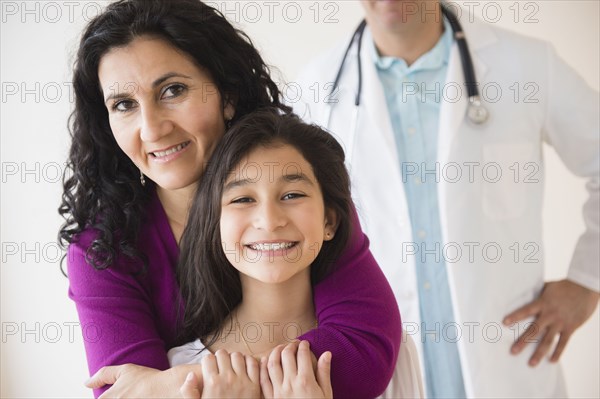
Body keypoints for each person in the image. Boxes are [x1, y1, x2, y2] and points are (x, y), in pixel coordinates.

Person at [58, 0, 401, 397]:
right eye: (123, 105)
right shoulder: (104, 250)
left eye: (173, 90)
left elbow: (364, 353)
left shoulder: (299, 196)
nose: (151, 128)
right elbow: (120, 391)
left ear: (228, 95)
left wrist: (179, 382)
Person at [294, 0, 599, 397]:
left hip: (508, 368)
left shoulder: (526, 65)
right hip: (385, 369)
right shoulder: (316, 90)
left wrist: (587, 280)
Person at [168, 109, 424, 399]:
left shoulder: (388, 350)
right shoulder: (180, 370)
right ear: (216, 226)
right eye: (242, 199)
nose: (269, 219)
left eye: (292, 195)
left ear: (329, 221)